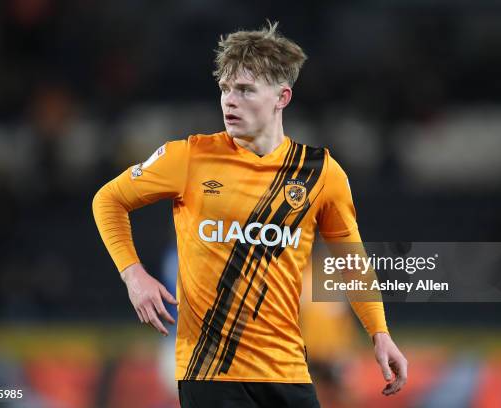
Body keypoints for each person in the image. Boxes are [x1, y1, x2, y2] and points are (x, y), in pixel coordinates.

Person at [92, 21, 407, 408]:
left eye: (244, 90)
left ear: (282, 97)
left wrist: (380, 332)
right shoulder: (189, 157)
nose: (229, 100)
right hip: (209, 371)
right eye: (225, 89)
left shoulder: (320, 173)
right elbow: (108, 200)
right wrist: (133, 275)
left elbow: (351, 260)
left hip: (287, 370)